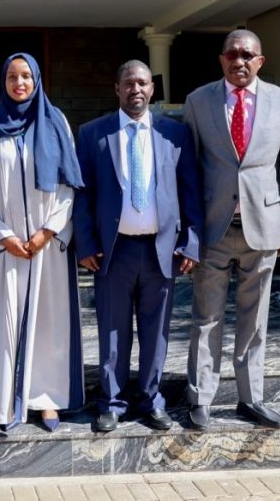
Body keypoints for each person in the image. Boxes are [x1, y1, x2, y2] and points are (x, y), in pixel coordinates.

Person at [72, 60, 202, 433]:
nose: (136, 90)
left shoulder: (174, 134)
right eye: (128, 83)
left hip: (161, 250)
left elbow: (190, 191)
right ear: (117, 89)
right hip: (115, 251)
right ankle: (111, 401)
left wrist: (191, 242)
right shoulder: (93, 134)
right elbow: (83, 195)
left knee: (156, 331)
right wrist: (85, 244)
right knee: (112, 330)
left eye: (143, 83)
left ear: (152, 89)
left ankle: (150, 400)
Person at [183, 29, 280, 431]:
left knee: (255, 320)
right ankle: (200, 397)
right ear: (221, 59)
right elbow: (190, 170)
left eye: (248, 55)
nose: (239, 61)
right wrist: (190, 228)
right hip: (213, 228)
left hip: (264, 227)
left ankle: (251, 399)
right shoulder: (198, 102)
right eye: (232, 54)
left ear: (260, 61)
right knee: (206, 318)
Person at [0, 53, 85, 432]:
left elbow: (70, 186)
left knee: (48, 327)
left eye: (26, 77)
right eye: (12, 76)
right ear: (2, 82)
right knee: (2, 327)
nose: (19, 83)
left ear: (37, 81)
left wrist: (46, 232)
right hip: (4, 248)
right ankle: (0, 403)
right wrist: (3, 235)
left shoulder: (56, 124)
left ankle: (47, 400)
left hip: (47, 247)